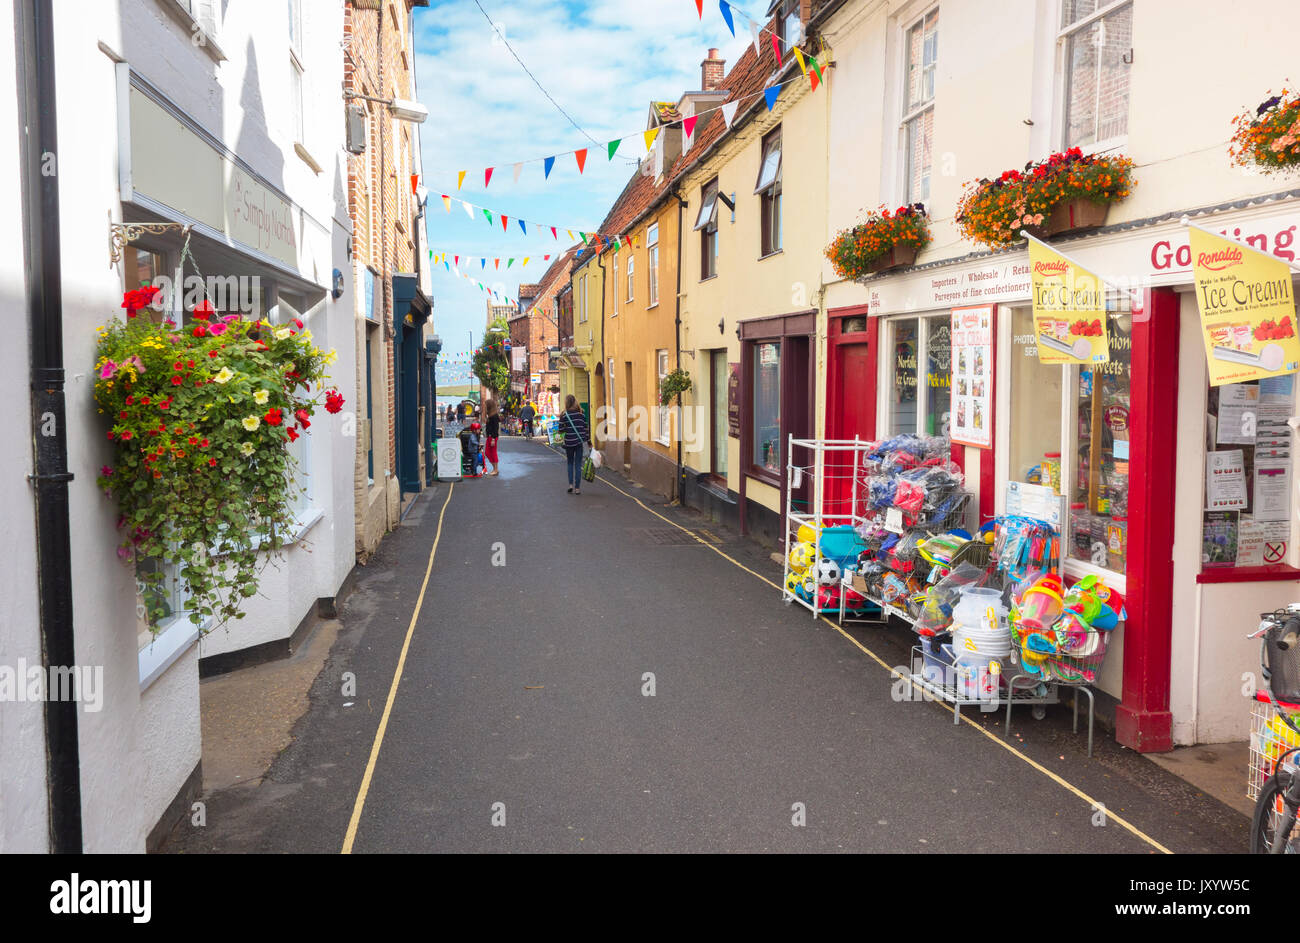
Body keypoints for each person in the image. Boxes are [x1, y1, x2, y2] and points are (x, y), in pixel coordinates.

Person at [558, 394, 589, 494]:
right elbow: (586, 429)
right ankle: (577, 488)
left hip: (569, 442)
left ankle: (570, 485)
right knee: (578, 464)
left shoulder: (564, 415)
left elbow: (561, 430)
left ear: (566, 403)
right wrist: (589, 442)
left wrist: (564, 429)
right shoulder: (582, 414)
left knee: (570, 463)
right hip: (580, 442)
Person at [483, 402, 501, 476]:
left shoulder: (494, 416)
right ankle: (495, 468)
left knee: (493, 453)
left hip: (492, 437)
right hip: (490, 436)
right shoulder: (491, 415)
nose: (485, 407)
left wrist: (493, 438)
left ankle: (495, 469)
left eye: (486, 405)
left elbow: (495, 428)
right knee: (487, 452)